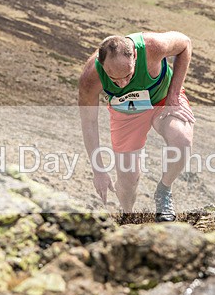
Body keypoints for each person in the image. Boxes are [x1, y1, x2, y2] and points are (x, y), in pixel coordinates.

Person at [78, 31, 195, 221]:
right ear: (102, 65)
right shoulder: (90, 77)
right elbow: (89, 122)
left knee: (181, 140)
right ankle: (128, 216)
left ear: (135, 55)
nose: (122, 83)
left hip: (163, 100)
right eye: (113, 78)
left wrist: (173, 96)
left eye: (127, 75)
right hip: (126, 112)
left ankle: (164, 191)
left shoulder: (153, 46)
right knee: (127, 180)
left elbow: (185, 43)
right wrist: (98, 169)